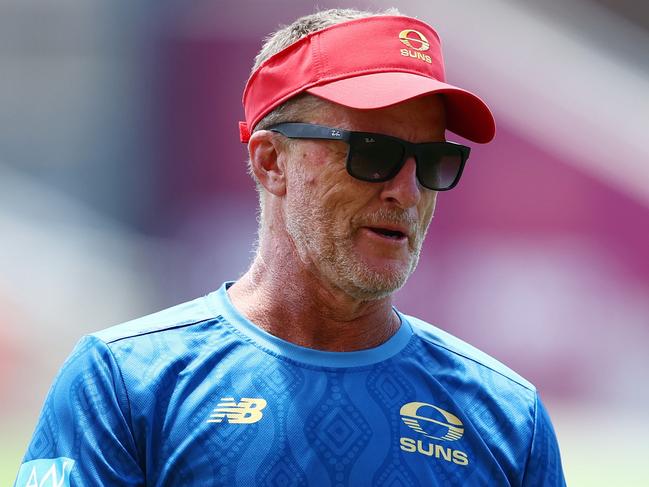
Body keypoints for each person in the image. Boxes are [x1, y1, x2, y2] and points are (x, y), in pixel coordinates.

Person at [15, 8, 566, 487]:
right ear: (271, 161)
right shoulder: (125, 384)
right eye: (372, 152)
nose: (406, 190)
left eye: (431, 162)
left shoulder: (507, 418)